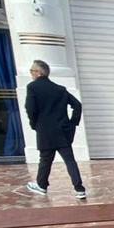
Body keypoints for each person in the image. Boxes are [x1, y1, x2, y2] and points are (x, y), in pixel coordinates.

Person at [24, 59, 86, 199]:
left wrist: (34, 124)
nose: (31, 74)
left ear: (39, 73)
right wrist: (72, 123)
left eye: (32, 71)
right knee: (69, 160)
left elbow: (30, 109)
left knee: (45, 158)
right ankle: (79, 188)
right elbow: (77, 105)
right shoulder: (60, 89)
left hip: (45, 131)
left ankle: (41, 185)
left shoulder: (33, 87)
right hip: (62, 131)